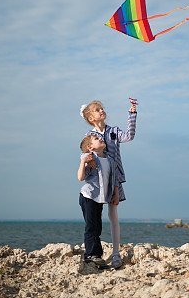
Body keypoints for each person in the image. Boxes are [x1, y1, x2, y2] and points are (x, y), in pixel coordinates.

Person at [80, 100, 137, 268]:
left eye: (102, 109)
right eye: (98, 110)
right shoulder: (89, 135)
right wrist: (86, 161)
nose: (102, 111)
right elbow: (84, 152)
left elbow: (129, 136)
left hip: (114, 179)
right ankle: (94, 251)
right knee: (94, 217)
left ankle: (115, 253)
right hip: (96, 181)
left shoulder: (114, 131)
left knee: (113, 214)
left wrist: (132, 115)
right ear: (91, 117)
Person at [78, 134, 118, 269]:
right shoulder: (90, 158)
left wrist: (115, 194)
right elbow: (80, 177)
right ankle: (90, 254)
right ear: (90, 147)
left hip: (100, 198)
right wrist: (84, 161)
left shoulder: (110, 160)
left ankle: (97, 256)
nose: (101, 138)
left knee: (98, 227)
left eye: (100, 138)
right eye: (96, 139)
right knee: (91, 226)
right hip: (88, 196)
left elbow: (114, 178)